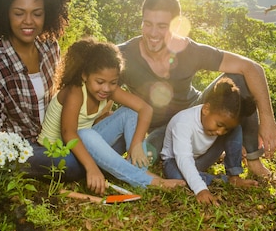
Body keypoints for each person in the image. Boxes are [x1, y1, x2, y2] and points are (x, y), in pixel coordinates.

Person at [118, 0, 276, 179]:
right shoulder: (123, 55)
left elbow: (252, 68)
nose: (153, 33)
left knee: (240, 76)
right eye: (148, 24)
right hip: (162, 132)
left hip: (194, 111)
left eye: (162, 26)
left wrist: (268, 118)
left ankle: (253, 160)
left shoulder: (190, 51)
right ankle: (205, 157)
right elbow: (103, 90)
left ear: (176, 24)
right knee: (144, 160)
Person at [0, 0, 84, 181]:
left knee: (104, 136)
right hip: (26, 150)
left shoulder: (50, 46)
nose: (28, 22)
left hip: (59, 136)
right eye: (19, 13)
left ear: (47, 14)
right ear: (5, 14)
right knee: (70, 163)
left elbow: (63, 97)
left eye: (37, 14)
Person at [37, 38, 185, 195]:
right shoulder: (75, 91)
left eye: (113, 82)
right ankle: (148, 180)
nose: (106, 88)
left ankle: (139, 169)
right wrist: (92, 168)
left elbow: (145, 109)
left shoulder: (108, 90)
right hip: (59, 152)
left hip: (86, 145)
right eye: (100, 82)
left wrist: (135, 144)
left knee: (129, 112)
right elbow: (69, 133)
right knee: (85, 134)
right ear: (85, 76)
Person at [161, 78, 259, 205]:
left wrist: (236, 146)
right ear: (206, 109)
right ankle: (220, 180)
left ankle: (234, 175)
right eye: (219, 125)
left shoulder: (218, 126)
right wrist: (200, 189)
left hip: (202, 158)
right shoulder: (183, 123)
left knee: (236, 130)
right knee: (177, 177)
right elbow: (184, 159)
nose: (220, 132)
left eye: (225, 129)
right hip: (175, 161)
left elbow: (226, 133)